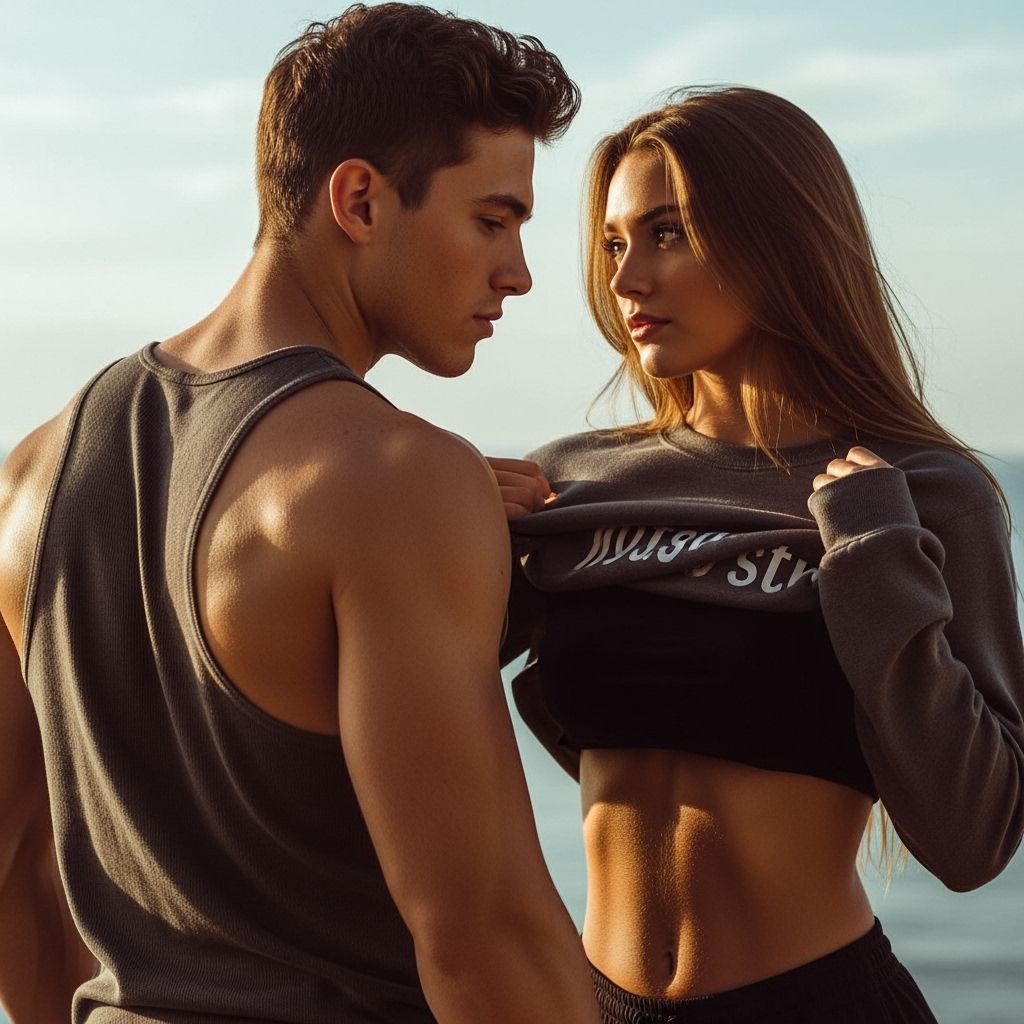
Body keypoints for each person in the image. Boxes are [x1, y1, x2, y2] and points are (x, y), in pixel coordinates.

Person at [0, 5, 603, 1022]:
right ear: (360, 200)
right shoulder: (399, 477)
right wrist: (429, 517)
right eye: (492, 220)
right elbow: (483, 936)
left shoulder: (31, 476)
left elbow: (13, 865)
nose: (519, 272)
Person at [492, 86, 1024, 1023]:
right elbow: (401, 703)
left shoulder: (925, 492)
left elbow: (972, 837)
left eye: (668, 233)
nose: (625, 281)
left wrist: (870, 551)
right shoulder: (575, 484)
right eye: (615, 243)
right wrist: (443, 537)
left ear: (782, 239)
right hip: (591, 1003)